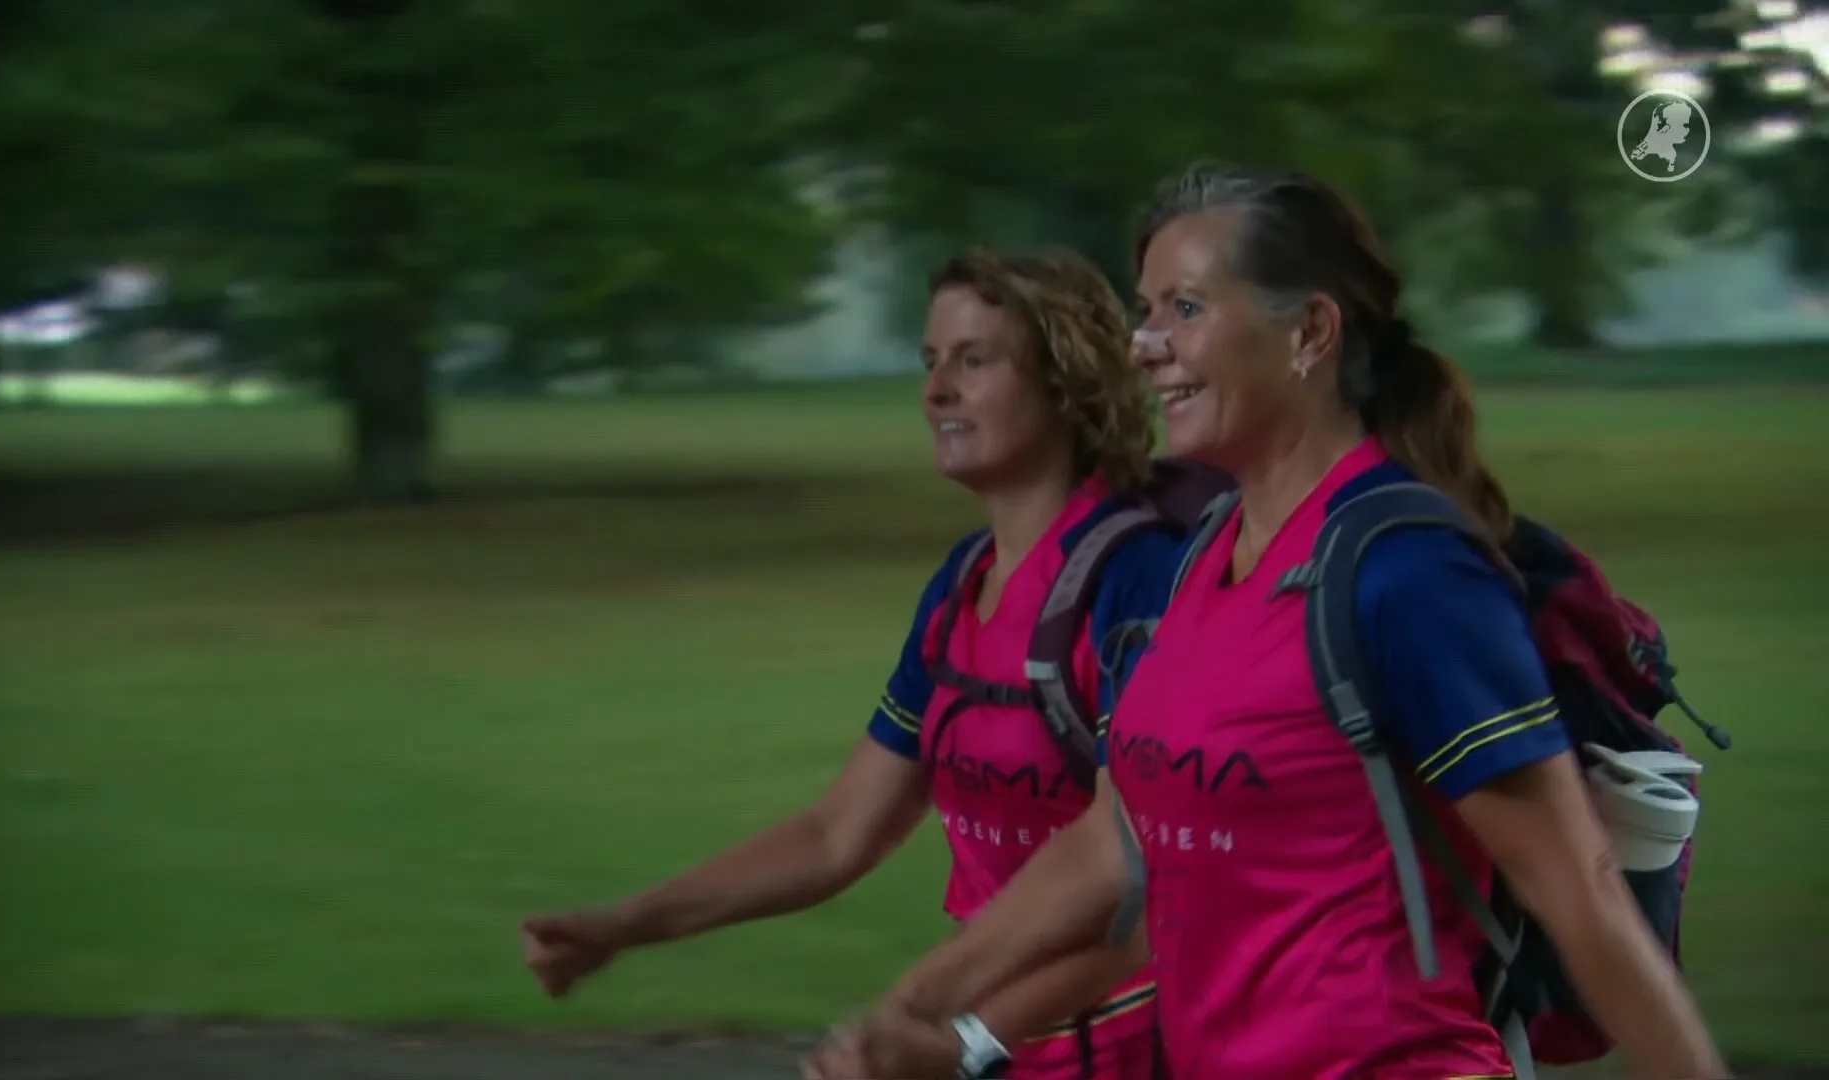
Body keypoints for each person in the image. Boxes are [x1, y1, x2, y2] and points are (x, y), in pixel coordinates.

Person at [806, 162, 1729, 1080]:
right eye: (1147, 309)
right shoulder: (1205, 552)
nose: (1143, 346)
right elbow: (1118, 835)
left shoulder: (1407, 570)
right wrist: (927, 1015)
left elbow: (1581, 892)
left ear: (1310, 332)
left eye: (1186, 309)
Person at [520, 248, 1193, 1080]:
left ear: (1066, 383)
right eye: (929, 362)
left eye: (974, 360)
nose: (936, 390)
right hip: (977, 1043)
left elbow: (1136, 881)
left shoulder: (1144, 584)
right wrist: (626, 925)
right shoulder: (962, 587)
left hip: (1137, 1048)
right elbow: (839, 833)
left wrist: (937, 1019)